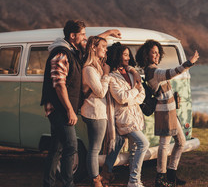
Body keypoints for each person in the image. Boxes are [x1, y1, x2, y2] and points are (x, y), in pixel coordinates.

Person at [41, 20, 135, 187]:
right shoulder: (61, 54)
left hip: (64, 107)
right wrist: (70, 110)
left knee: (56, 149)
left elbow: (93, 43)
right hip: (58, 108)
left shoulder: (74, 51)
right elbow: (59, 84)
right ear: (72, 36)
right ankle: (68, 184)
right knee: (71, 146)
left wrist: (108, 32)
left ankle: (48, 183)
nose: (85, 38)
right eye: (82, 34)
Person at [135, 40, 199, 187]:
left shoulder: (154, 69)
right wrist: (189, 63)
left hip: (170, 110)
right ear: (147, 54)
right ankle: (160, 177)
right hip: (163, 111)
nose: (157, 55)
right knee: (164, 145)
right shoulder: (151, 71)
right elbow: (171, 73)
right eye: (154, 52)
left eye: (158, 52)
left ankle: (171, 174)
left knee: (181, 142)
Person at [101, 42, 149, 187]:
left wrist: (132, 96)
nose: (128, 57)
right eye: (125, 55)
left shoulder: (130, 73)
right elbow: (121, 98)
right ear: (117, 56)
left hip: (135, 115)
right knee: (143, 143)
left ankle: (132, 180)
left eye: (129, 55)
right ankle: (134, 180)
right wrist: (135, 91)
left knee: (134, 148)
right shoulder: (112, 77)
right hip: (124, 118)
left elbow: (142, 96)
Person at [80, 36, 110, 187]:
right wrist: (106, 75)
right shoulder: (89, 69)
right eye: (103, 46)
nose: (105, 49)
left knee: (95, 148)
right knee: (94, 149)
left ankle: (96, 177)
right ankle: (95, 180)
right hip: (94, 112)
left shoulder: (96, 66)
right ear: (93, 48)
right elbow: (100, 92)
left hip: (97, 112)